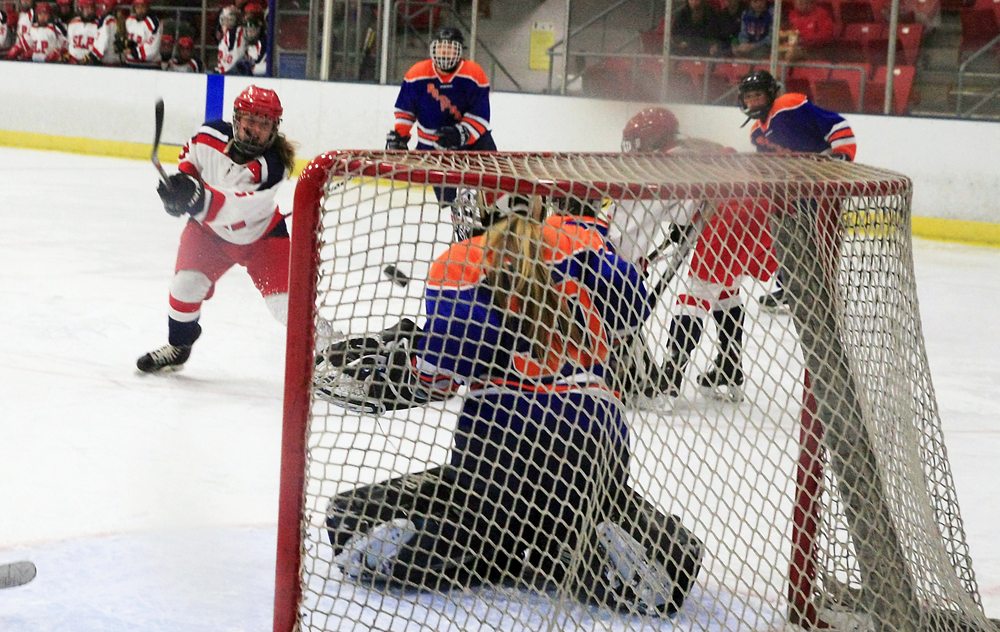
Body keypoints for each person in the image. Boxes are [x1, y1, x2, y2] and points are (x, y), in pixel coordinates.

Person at [318, 198, 703, 617]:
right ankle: (594, 544)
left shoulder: (462, 261)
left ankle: (472, 544)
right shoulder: (586, 240)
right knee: (599, 503)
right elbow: (631, 313)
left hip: (499, 446)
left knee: (351, 518)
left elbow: (438, 375)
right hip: (594, 438)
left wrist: (405, 361)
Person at [612, 107, 777, 402]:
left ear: (654, 139)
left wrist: (626, 260)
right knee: (725, 289)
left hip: (728, 218)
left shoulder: (669, 163)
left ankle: (670, 378)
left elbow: (664, 214)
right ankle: (729, 367)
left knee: (696, 296)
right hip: (759, 215)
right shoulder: (693, 146)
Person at [136, 85, 295, 373]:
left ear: (274, 129)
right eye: (250, 121)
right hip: (209, 234)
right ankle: (179, 347)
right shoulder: (208, 135)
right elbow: (190, 164)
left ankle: (334, 353)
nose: (255, 130)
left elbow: (236, 207)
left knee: (286, 306)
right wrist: (178, 191)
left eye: (264, 124)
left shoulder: (273, 166)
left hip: (262, 237)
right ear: (236, 119)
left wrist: (194, 199)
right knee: (184, 286)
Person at [737, 69, 856, 311]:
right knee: (786, 238)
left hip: (821, 186)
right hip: (792, 192)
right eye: (749, 97)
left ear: (771, 94)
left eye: (758, 95)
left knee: (816, 241)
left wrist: (842, 155)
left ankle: (825, 293)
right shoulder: (757, 132)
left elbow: (836, 124)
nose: (753, 101)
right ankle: (790, 287)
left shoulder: (788, 107)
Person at [123, 0, 160, 68]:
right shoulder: (129, 21)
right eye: (137, 7)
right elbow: (128, 41)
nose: (140, 10)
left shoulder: (153, 23)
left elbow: (152, 48)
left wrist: (133, 52)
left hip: (149, 65)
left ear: (147, 7)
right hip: (130, 63)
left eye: (143, 6)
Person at [87, 0, 124, 65]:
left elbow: (103, 43)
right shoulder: (112, 20)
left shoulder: (108, 20)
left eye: (101, 5)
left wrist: (91, 57)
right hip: (115, 61)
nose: (99, 8)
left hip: (108, 63)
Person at [234, 3, 266, 76]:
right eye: (246, 25)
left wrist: (253, 68)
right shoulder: (238, 38)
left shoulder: (266, 43)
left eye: (252, 25)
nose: (249, 31)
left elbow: (270, 68)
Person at [214, 4, 244, 74]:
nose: (226, 24)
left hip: (233, 74)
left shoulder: (238, 33)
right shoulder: (224, 38)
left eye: (230, 20)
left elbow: (231, 66)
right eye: (224, 20)